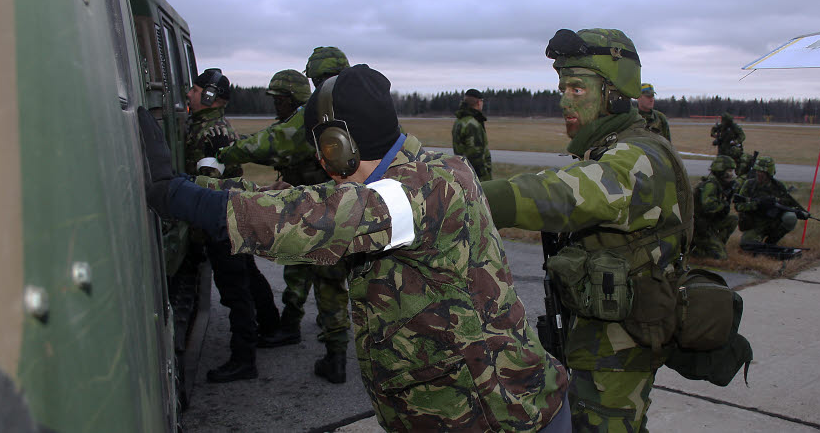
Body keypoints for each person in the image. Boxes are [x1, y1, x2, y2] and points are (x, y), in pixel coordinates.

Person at [144, 64, 570, 432]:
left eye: (322, 148)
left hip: (493, 417)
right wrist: (201, 186)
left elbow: (306, 221)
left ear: (338, 145)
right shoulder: (423, 173)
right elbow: (294, 199)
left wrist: (175, 196)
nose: (323, 164)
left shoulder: (414, 194)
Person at [482, 28, 693, 432]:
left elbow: (565, 194)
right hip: (602, 337)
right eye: (562, 87)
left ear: (614, 94)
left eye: (578, 89)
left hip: (619, 349)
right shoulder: (610, 148)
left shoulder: (638, 157)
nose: (564, 100)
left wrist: (463, 195)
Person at [218, 52, 352, 384]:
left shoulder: (317, 115)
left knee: (327, 282)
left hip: (323, 210)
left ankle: (335, 355)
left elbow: (274, 141)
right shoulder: (362, 108)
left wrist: (224, 154)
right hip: (359, 208)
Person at [184, 68, 280, 383]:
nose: (189, 94)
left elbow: (211, 186)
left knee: (234, 290)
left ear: (209, 96)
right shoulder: (207, 128)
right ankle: (271, 326)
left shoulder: (211, 133)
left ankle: (243, 358)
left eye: (195, 90)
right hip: (229, 217)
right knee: (247, 276)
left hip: (222, 220)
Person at [734, 156, 807, 247]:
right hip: (756, 224)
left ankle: (772, 241)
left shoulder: (778, 186)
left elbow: (788, 202)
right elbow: (738, 205)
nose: (759, 174)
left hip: (773, 222)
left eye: (762, 172)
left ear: (769, 173)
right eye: (757, 171)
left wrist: (776, 202)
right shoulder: (749, 185)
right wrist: (757, 205)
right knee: (747, 244)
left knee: (790, 218)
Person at [690, 155, 739, 260]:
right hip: (699, 227)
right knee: (721, 257)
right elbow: (709, 207)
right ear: (721, 171)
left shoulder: (719, 185)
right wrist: (723, 204)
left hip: (708, 223)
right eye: (729, 171)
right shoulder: (711, 185)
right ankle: (700, 249)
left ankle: (715, 243)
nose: (731, 174)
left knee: (733, 220)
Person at [451, 88, 492, 180]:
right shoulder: (472, 124)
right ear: (478, 102)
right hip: (476, 176)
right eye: (482, 101)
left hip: (462, 170)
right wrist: (484, 178)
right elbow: (476, 155)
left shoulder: (459, 121)